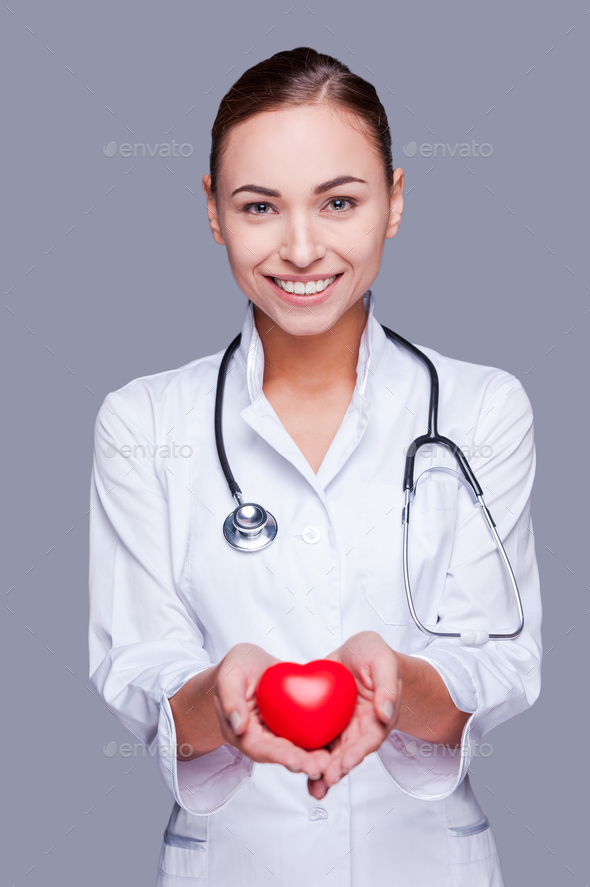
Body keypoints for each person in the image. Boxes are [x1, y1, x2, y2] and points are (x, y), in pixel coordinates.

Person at [88, 46, 542, 886]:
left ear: (395, 201)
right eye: (260, 206)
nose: (302, 248)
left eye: (339, 201)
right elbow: (138, 662)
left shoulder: (482, 410)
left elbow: (503, 661)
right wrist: (224, 702)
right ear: (214, 212)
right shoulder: (143, 421)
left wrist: (399, 685)